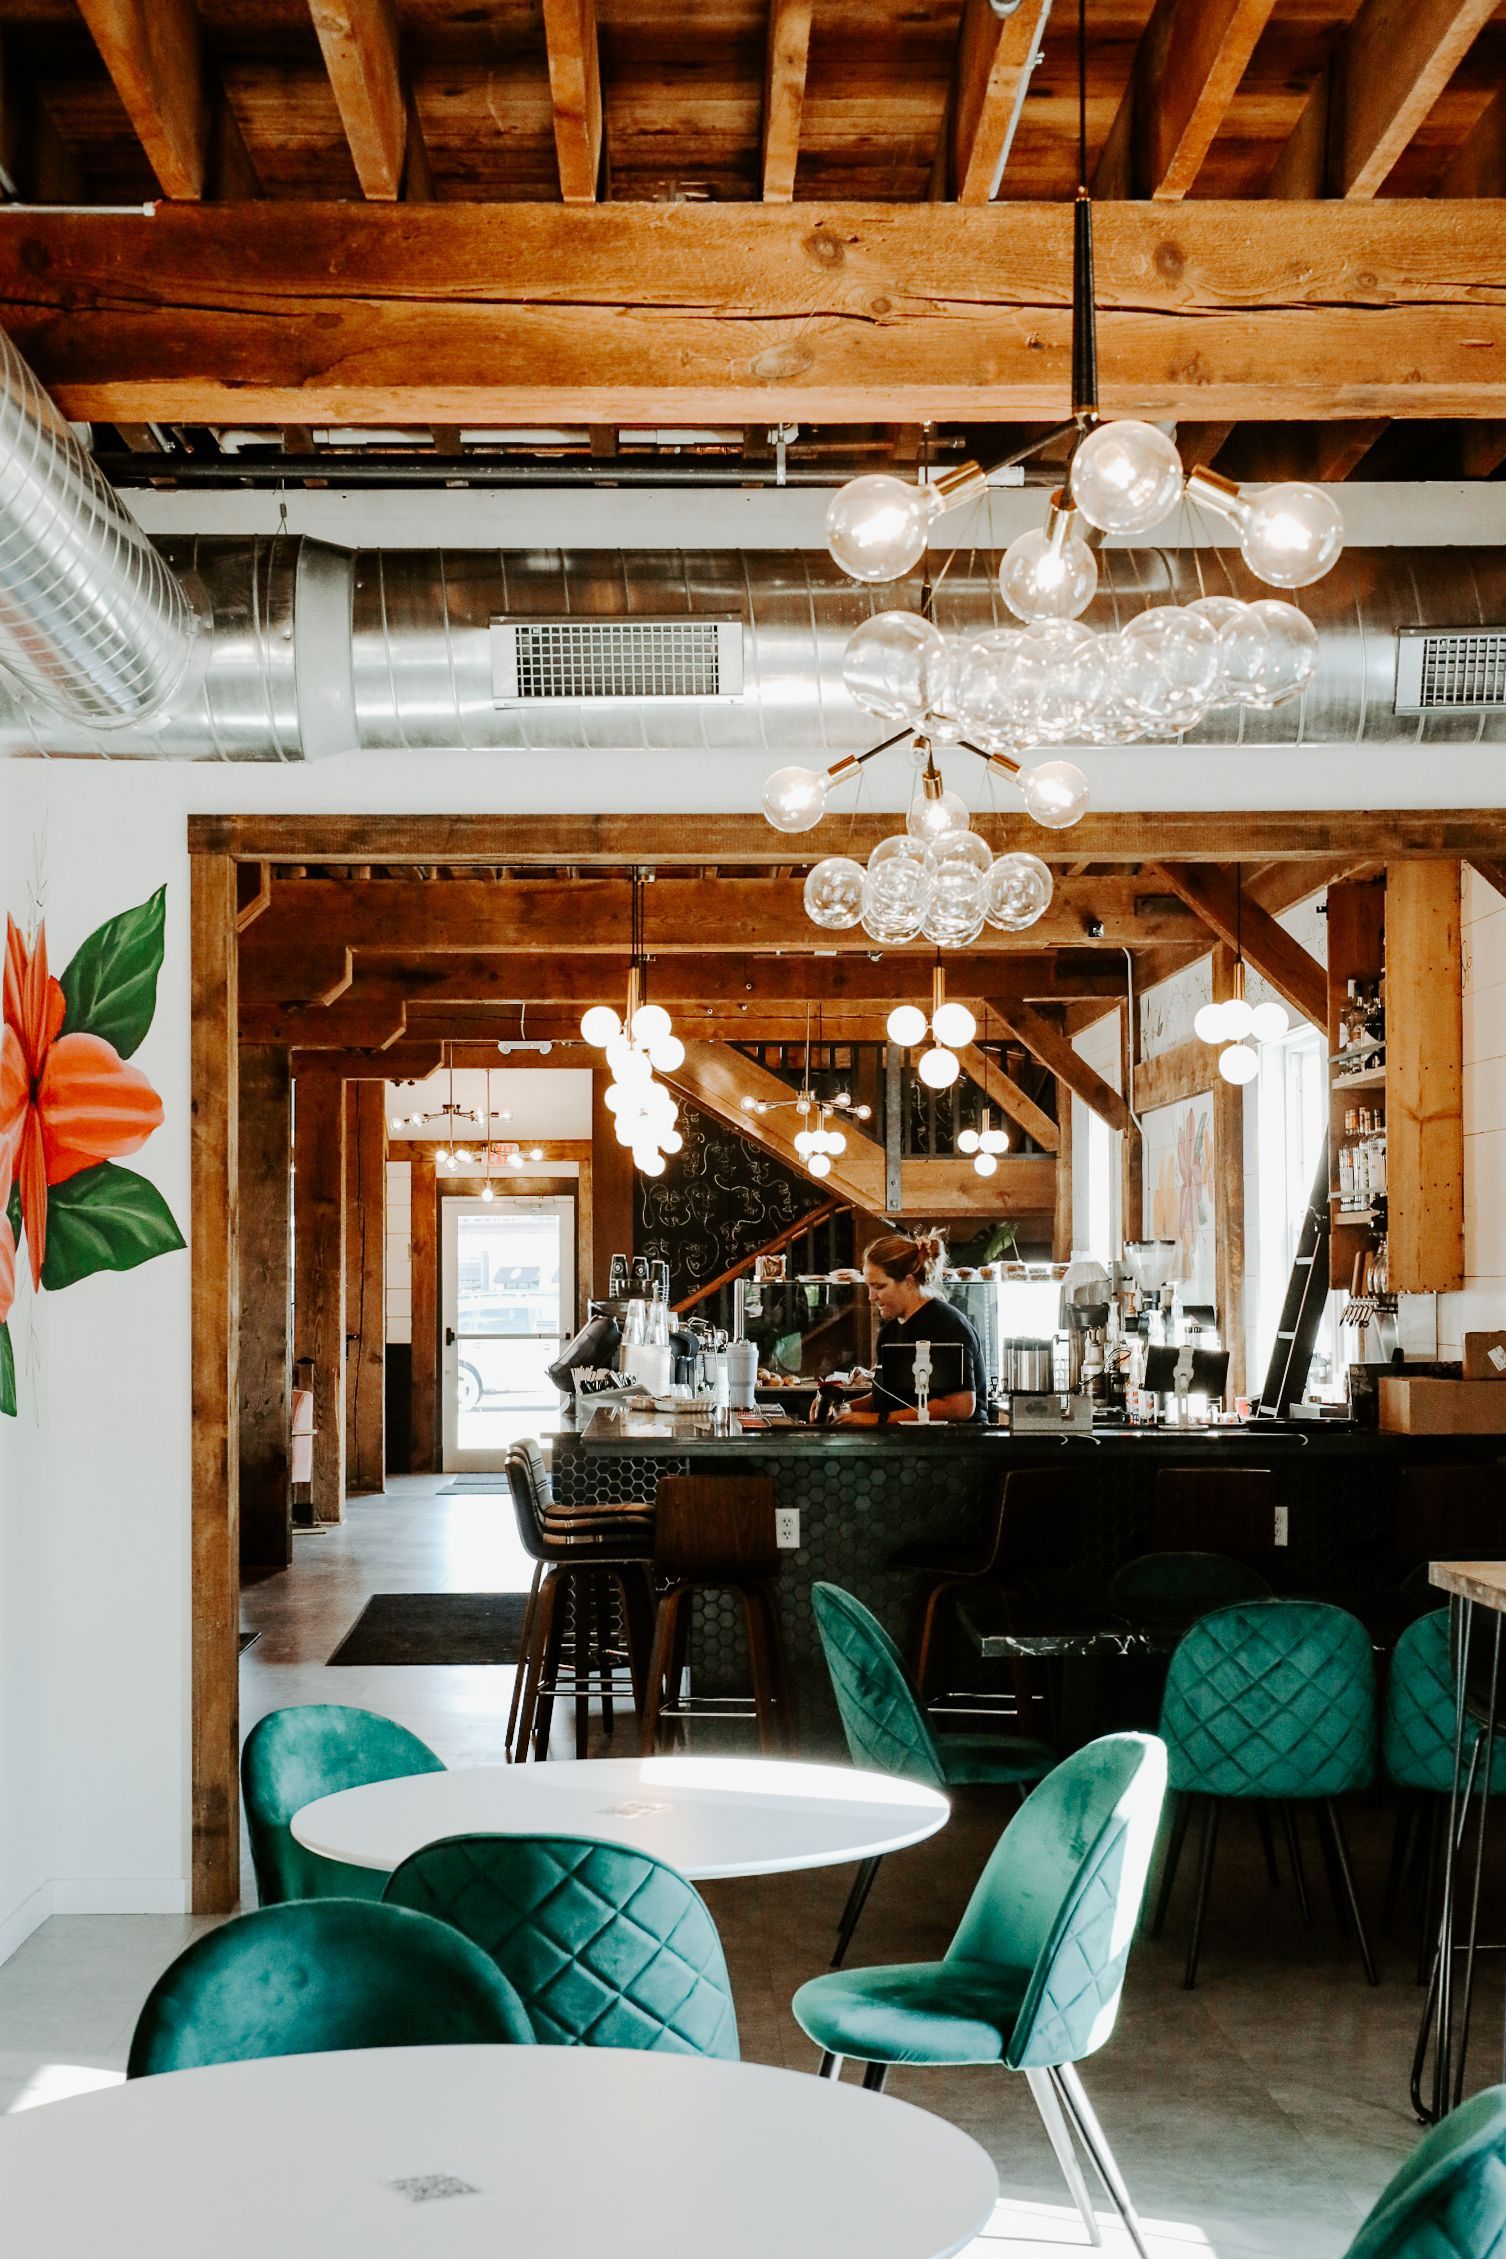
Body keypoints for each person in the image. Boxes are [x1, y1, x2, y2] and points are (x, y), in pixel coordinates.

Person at [827, 1231, 985, 1425]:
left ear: (909, 1282)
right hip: (909, 1448)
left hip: (954, 1448)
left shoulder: (945, 1324)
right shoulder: (890, 1330)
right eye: (869, 1286)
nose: (871, 1296)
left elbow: (960, 1406)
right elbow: (888, 1395)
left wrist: (880, 1420)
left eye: (879, 1286)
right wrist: (844, 1409)